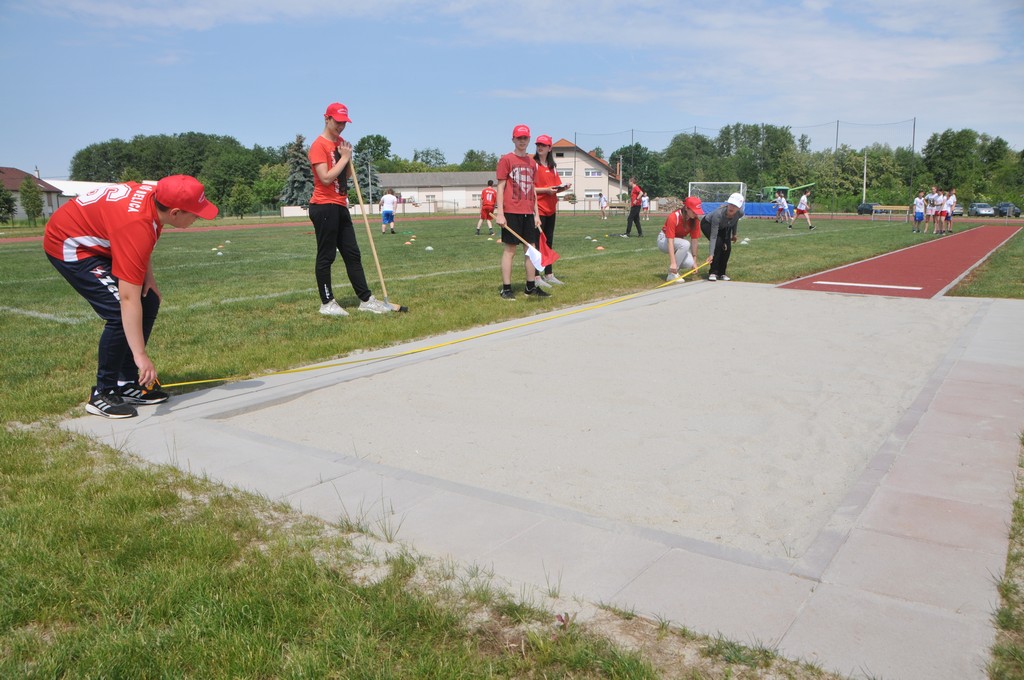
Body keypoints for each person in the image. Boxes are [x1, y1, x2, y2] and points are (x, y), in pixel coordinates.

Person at [44, 175, 218, 418]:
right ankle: (103, 392)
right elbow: (127, 299)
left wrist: (150, 278)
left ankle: (126, 383)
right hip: (72, 245)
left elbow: (142, 245)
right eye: (196, 214)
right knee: (117, 310)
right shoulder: (136, 224)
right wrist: (141, 356)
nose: (198, 217)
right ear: (175, 213)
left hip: (106, 239)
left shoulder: (155, 198)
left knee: (149, 298)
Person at [308, 102, 391, 317]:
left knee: (352, 254)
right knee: (326, 256)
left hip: (340, 205)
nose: (341, 126)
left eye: (344, 123)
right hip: (323, 206)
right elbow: (326, 178)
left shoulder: (342, 144)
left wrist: (347, 159)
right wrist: (344, 158)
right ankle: (327, 303)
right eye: (337, 122)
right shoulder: (319, 145)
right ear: (327, 119)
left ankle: (365, 299)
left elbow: (344, 177)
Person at [496, 124, 547, 300]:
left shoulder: (532, 162)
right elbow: (501, 187)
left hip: (528, 212)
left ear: (529, 140)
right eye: (519, 138)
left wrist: (537, 214)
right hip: (511, 211)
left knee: (531, 249)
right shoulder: (506, 160)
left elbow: (532, 188)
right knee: (510, 250)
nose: (522, 141)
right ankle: (506, 288)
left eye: (525, 138)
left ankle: (530, 286)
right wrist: (501, 213)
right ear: (513, 139)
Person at [533, 134, 569, 286]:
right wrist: (546, 190)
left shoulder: (552, 167)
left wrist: (562, 189)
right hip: (538, 210)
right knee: (537, 244)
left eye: (543, 145)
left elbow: (553, 189)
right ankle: (535, 277)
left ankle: (549, 274)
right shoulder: (533, 165)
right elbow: (530, 189)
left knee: (549, 242)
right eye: (538, 144)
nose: (540, 147)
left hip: (551, 209)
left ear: (549, 148)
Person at [658, 196, 703, 281]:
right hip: (663, 240)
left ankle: (674, 271)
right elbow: (670, 241)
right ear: (686, 208)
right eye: (694, 211)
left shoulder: (695, 220)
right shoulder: (674, 217)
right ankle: (672, 274)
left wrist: (694, 261)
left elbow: (694, 241)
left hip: (678, 242)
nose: (696, 214)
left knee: (689, 262)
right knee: (685, 244)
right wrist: (673, 263)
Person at [702, 192, 744, 281]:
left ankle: (722, 273)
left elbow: (734, 221)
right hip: (708, 224)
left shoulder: (740, 213)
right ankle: (713, 272)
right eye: (730, 204)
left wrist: (734, 234)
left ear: (739, 207)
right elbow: (713, 236)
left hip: (724, 226)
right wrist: (711, 255)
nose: (732, 207)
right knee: (718, 243)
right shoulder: (718, 214)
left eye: (735, 206)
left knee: (727, 248)